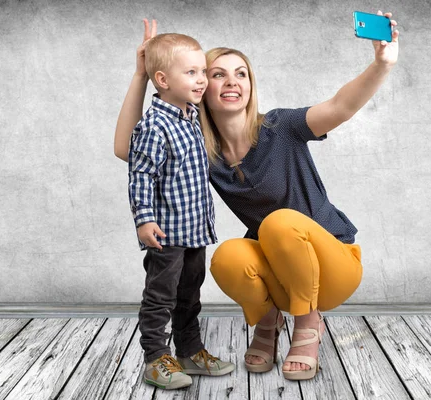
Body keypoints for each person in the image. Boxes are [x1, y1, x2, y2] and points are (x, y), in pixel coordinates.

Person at [115, 14, 399, 381]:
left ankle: (308, 324)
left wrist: (381, 64)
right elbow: (128, 149)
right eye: (217, 74)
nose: (231, 81)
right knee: (228, 257)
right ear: (201, 86)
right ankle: (268, 325)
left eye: (241, 74)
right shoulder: (202, 150)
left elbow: (341, 106)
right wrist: (143, 75)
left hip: (333, 263)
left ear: (251, 85)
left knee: (278, 223)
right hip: (280, 270)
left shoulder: (280, 127)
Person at [124, 26, 234, 390]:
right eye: (192, 72)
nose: (202, 80)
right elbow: (141, 174)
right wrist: (144, 220)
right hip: (167, 233)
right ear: (162, 79)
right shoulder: (154, 125)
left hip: (193, 230)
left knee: (190, 293)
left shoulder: (189, 117)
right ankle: (156, 357)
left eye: (203, 71)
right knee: (160, 295)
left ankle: (189, 350)